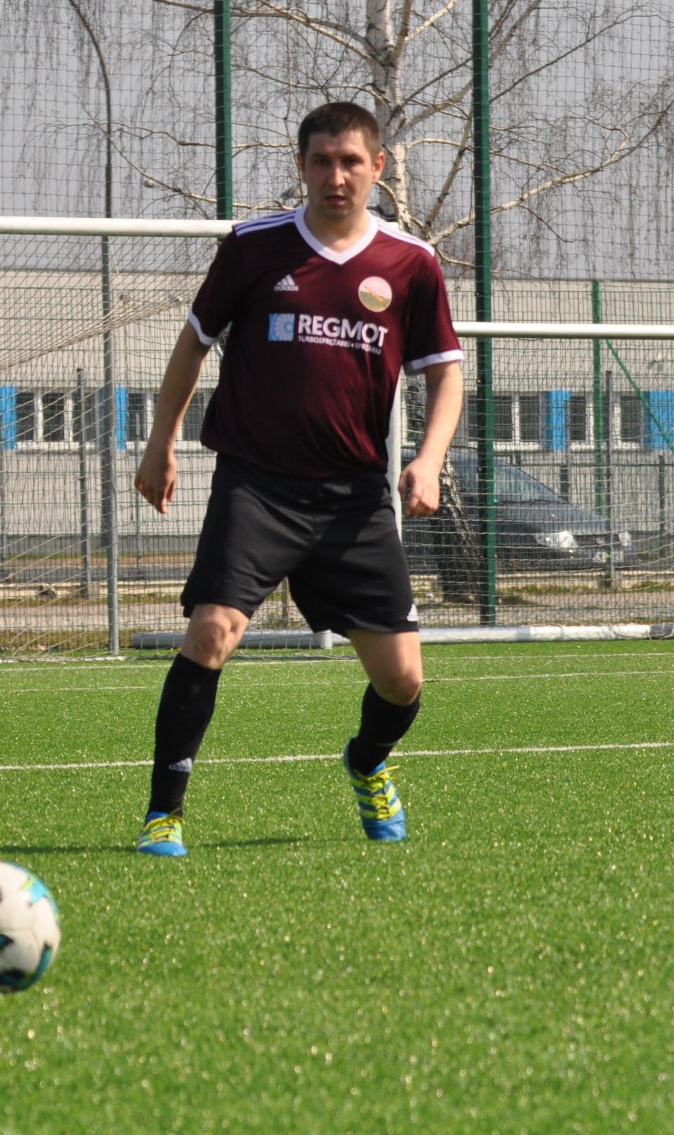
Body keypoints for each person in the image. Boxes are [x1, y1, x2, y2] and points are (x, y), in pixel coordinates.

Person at [129, 100, 464, 858]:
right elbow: (192, 345)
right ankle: (163, 815)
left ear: (378, 168)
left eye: (351, 161)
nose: (335, 176)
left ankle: (368, 763)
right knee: (213, 631)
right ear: (301, 166)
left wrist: (428, 459)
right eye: (321, 161)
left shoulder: (410, 263)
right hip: (257, 485)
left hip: (353, 500)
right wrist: (162, 442)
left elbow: (446, 374)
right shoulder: (254, 247)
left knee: (403, 680)